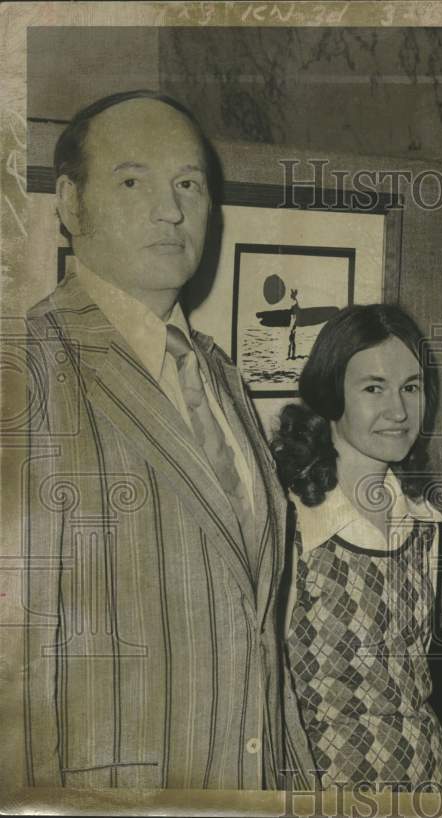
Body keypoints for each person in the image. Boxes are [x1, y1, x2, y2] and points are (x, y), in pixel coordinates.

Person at [21, 90, 313, 788]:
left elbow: (256, 631)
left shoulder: (219, 375)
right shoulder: (25, 368)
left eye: (189, 184)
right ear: (70, 204)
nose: (171, 210)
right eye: (133, 182)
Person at [270, 304, 442, 790]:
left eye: (411, 387)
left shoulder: (422, 521)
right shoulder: (288, 521)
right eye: (374, 388)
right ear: (332, 394)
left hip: (427, 785)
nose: (399, 411)